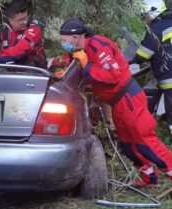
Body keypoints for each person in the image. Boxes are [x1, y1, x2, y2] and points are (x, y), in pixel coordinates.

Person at [59, 18, 172, 188]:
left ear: (76, 37)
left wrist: (87, 67)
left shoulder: (97, 45)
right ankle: (149, 179)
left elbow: (112, 77)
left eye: (64, 40)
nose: (63, 43)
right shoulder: (81, 51)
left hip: (128, 99)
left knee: (146, 140)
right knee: (127, 144)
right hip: (118, 103)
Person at [132, 0, 172, 135]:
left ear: (153, 13)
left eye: (145, 16)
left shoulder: (155, 30)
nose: (145, 20)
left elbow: (142, 55)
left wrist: (132, 60)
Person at [0, 0, 47, 68]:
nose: (25, 22)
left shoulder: (34, 29)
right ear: (10, 20)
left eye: (26, 17)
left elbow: (20, 50)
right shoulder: (5, 33)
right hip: (14, 72)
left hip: (36, 72)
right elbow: (5, 53)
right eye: (21, 20)